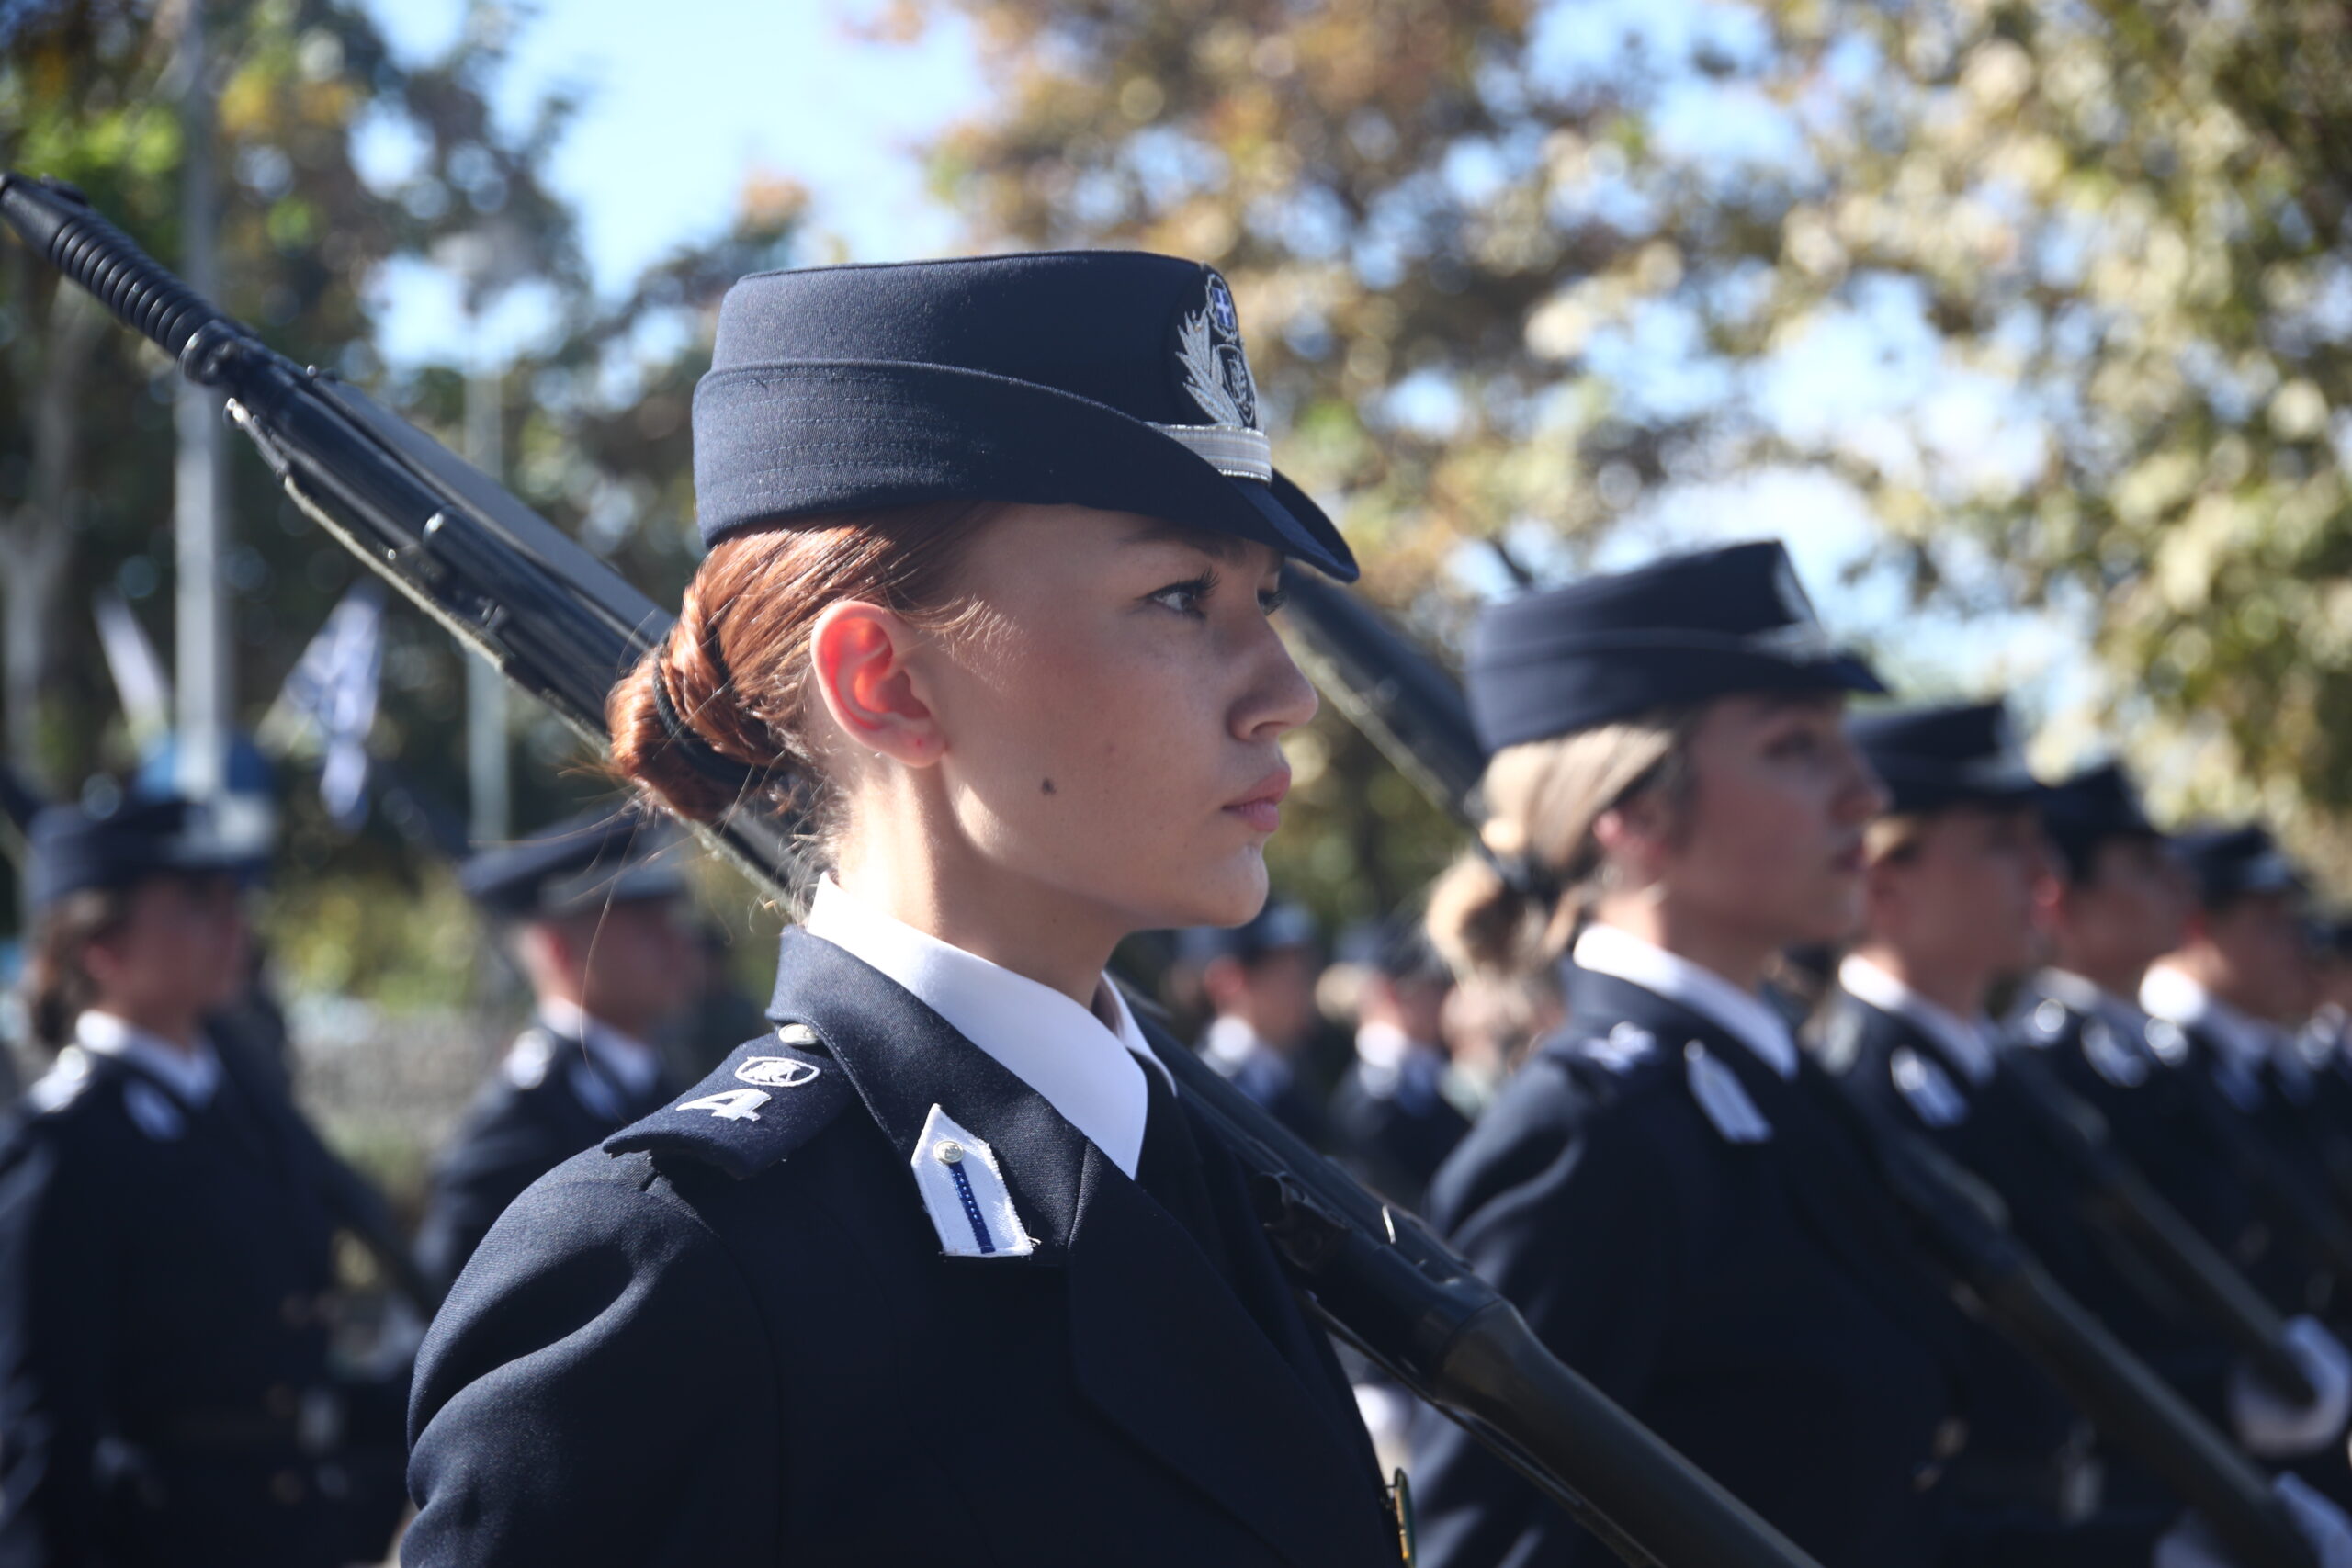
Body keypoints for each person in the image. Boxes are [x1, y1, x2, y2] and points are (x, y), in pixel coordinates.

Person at [401, 253, 1402, 1565]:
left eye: (1263, 601)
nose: (1284, 691)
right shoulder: (674, 1265)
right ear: (886, 679)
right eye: (1179, 596)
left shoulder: (1212, 1168)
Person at [1405, 543, 2348, 1568]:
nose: (1861, 791)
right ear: (1633, 817)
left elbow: (1891, 1511)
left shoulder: (1779, 1089)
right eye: (1795, 747)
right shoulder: (1588, 1138)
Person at [1820, 708, 2352, 1525]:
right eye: (2003, 841)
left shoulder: (2001, 1072)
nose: (2043, 873)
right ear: (1884, 875)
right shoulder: (1858, 1083)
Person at [0, 795, 407, 1567]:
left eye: (230, 900)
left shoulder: (245, 1113)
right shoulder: (65, 1147)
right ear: (101, 947)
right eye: (194, 905)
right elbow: (43, 1432)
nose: (231, 926)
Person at [411, 806, 699, 1294]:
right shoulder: (517, 1128)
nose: (676, 943)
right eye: (642, 925)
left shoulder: (657, 1085)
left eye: (669, 918)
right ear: (559, 949)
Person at [1328, 915, 1468, 1210]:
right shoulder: (1369, 1106)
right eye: (1432, 984)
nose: (1444, 996)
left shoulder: (1424, 1079)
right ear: (1390, 993)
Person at [1185, 899, 1334, 1148]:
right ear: (1228, 981)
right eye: (1288, 977)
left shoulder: (1287, 1077)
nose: (1304, 992)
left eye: (1306, 974)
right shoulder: (1212, 1088)